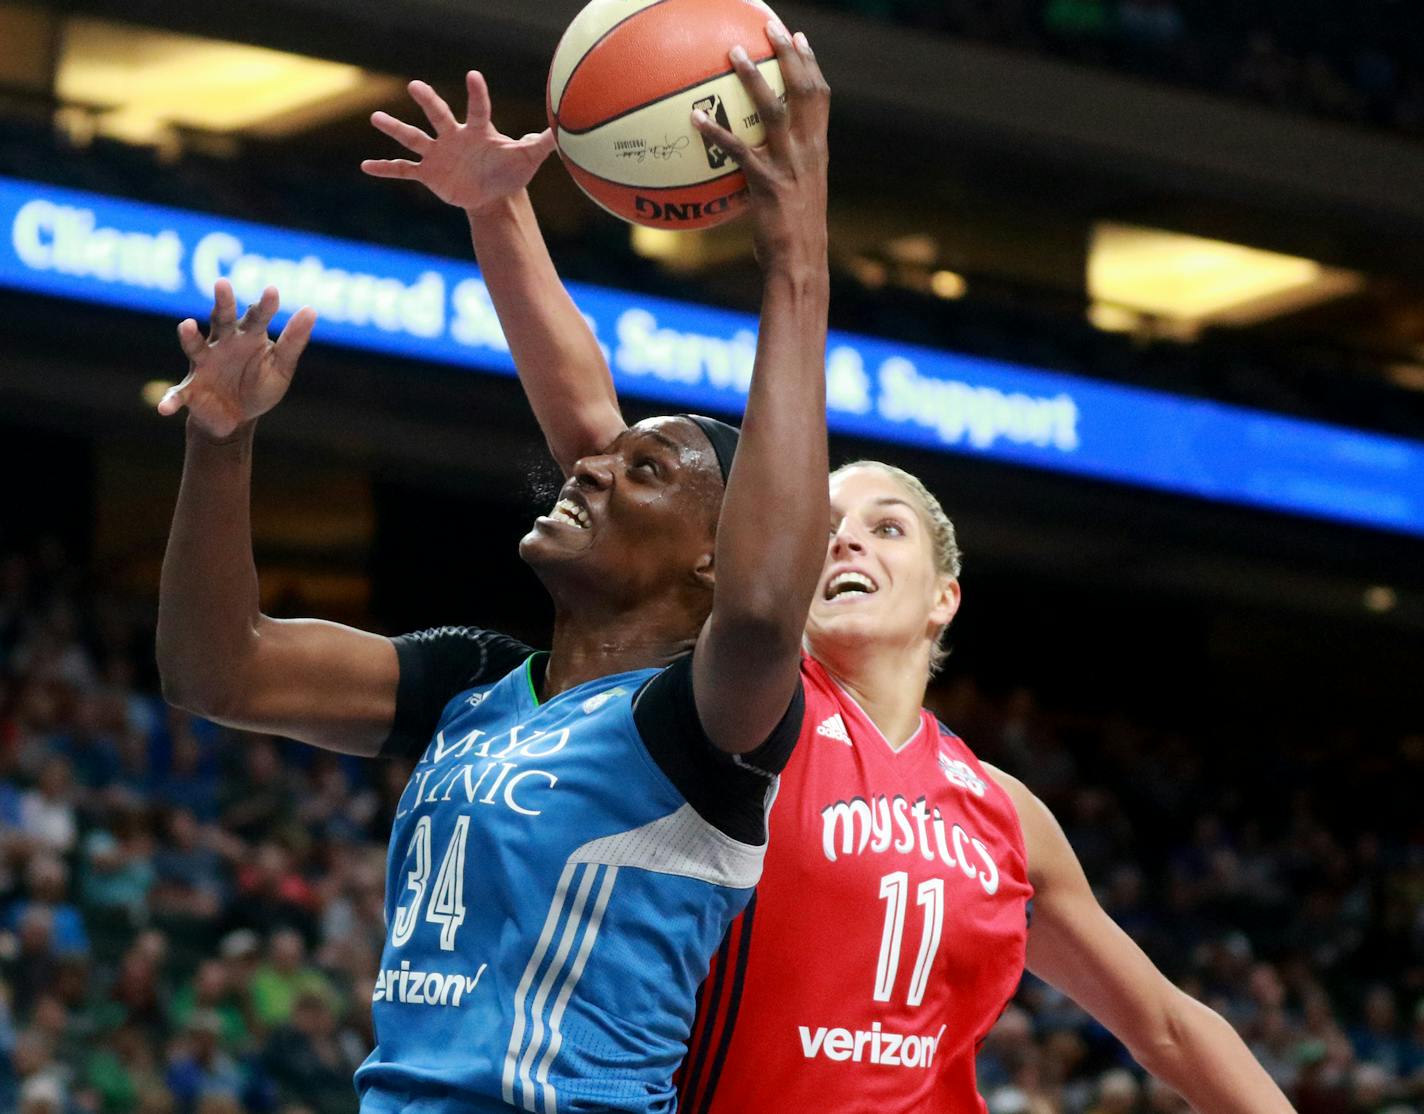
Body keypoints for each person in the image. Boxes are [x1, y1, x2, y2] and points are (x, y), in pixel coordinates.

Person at [366, 44, 1297, 1114]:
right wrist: (500, 216)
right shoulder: (724, 711)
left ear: (945, 593)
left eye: (885, 526)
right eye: (826, 522)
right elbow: (593, 428)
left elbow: (1169, 1025)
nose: (842, 542)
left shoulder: (1002, 813)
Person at [155, 19, 831, 1114]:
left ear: (712, 554)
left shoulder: (699, 723)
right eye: (598, 459)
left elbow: (761, 603)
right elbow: (214, 672)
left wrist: (794, 250)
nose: (590, 470)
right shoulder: (472, 687)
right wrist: (219, 447)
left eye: (644, 469)